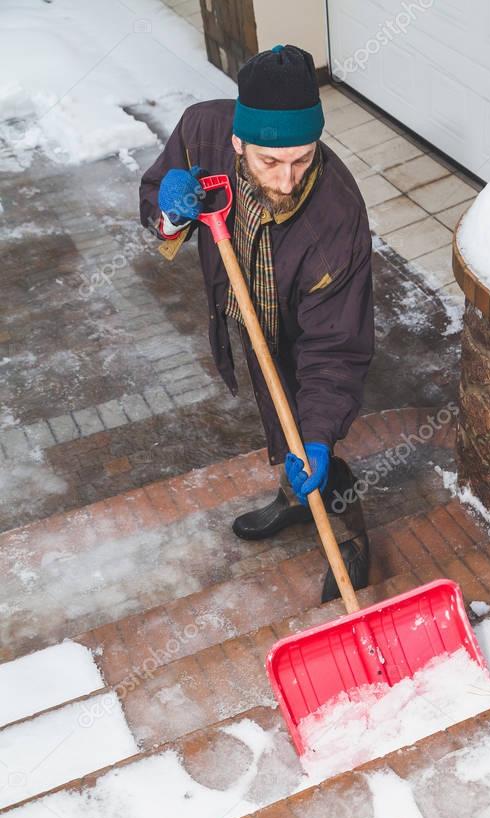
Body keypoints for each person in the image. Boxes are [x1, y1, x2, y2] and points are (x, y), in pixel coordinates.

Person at [139, 43, 374, 602]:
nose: (288, 179)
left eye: (302, 158)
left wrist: (318, 437)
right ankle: (295, 501)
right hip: (244, 305)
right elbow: (157, 197)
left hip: (302, 322)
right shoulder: (203, 131)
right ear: (238, 143)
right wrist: (172, 211)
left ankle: (351, 537)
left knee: (309, 432)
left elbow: (335, 347)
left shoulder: (338, 218)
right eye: (270, 162)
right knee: (277, 411)